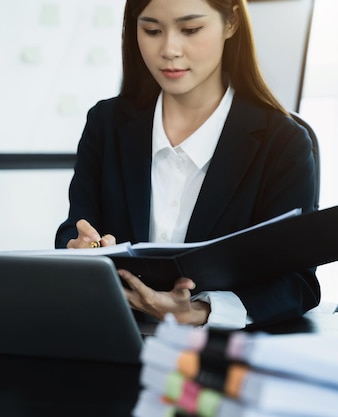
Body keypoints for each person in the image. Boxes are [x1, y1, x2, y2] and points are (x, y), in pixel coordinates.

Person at [56, 0, 320, 328]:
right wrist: (80, 245)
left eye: (190, 29)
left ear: (231, 23)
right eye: (151, 30)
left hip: (221, 356)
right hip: (115, 336)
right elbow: (76, 225)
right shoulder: (106, 123)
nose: (169, 49)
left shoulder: (282, 143)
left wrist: (198, 312)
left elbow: (297, 283)